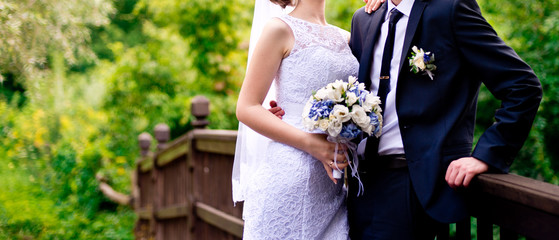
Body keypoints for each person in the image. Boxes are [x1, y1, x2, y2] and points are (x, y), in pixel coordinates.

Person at [345, 0, 543, 239]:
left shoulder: (450, 9)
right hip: (357, 184)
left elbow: (523, 86)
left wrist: (487, 155)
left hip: (413, 183)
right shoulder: (364, 19)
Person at [233, 0, 382, 239]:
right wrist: (312, 144)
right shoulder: (279, 29)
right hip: (286, 180)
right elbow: (247, 107)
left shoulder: (345, 37)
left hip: (332, 190)